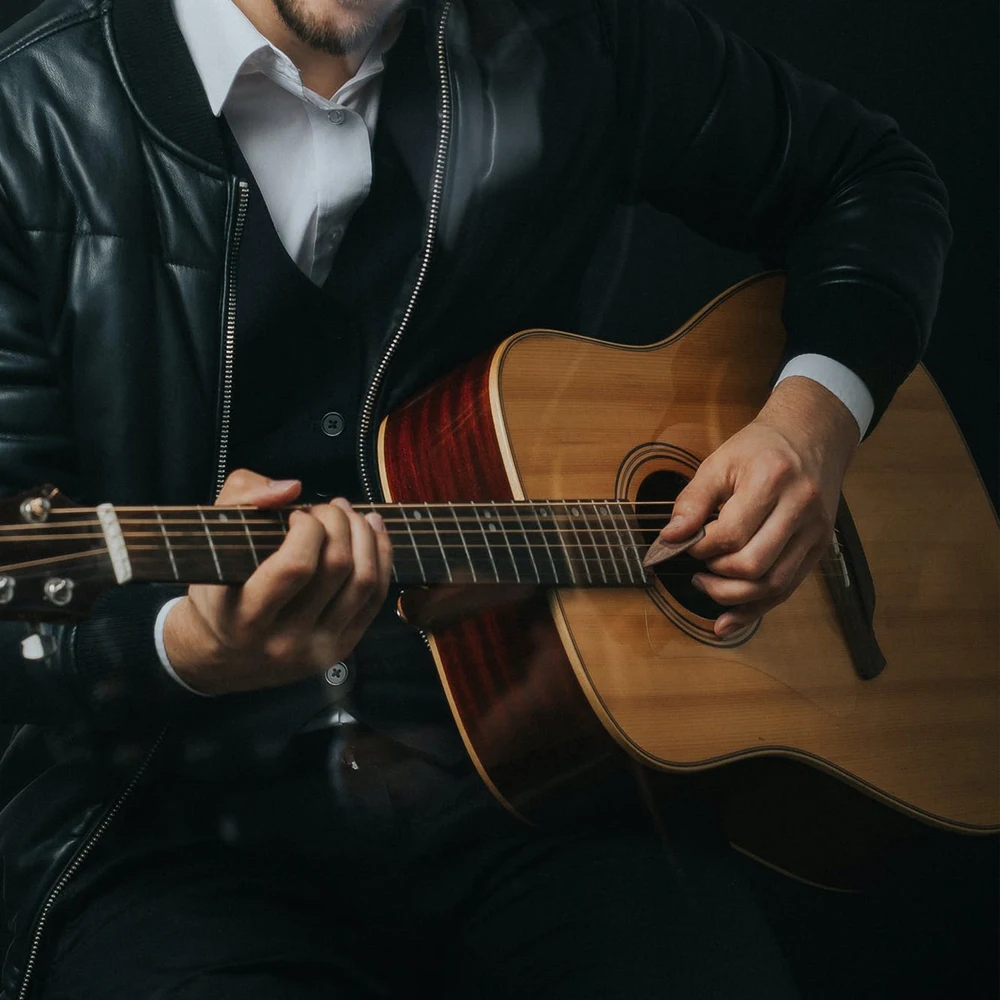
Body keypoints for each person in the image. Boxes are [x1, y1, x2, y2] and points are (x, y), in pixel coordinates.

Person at [0, 0, 949, 996]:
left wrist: (812, 422)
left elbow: (871, 178)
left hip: (532, 765)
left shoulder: (563, 37)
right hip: (150, 812)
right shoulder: (27, 121)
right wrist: (186, 646)